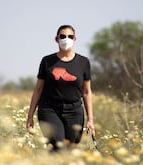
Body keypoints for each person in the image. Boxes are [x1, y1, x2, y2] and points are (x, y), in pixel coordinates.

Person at [26, 24, 95, 152]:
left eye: (70, 36)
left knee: (70, 151)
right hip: (49, 109)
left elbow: (86, 92)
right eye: (62, 36)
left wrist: (90, 120)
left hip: (74, 111)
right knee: (57, 147)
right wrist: (30, 116)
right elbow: (38, 90)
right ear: (56, 39)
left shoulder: (83, 62)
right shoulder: (47, 61)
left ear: (75, 39)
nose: (66, 39)